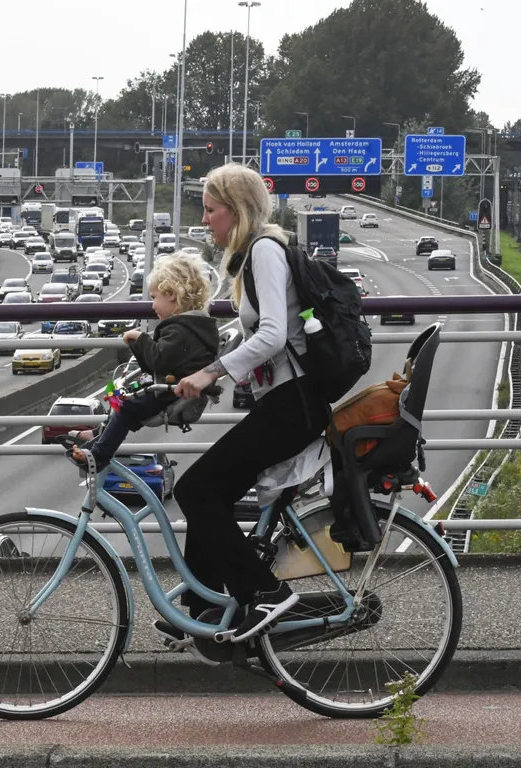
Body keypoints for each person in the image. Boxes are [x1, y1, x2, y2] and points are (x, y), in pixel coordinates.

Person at [163, 163, 330, 647]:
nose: (206, 220)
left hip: (292, 403)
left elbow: (275, 334)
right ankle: (203, 613)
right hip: (281, 402)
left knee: (196, 490)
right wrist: (192, 374)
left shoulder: (264, 252)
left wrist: (212, 372)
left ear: (236, 211)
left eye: (211, 210)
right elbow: (252, 336)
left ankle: (264, 592)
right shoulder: (254, 255)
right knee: (206, 491)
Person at [70, 255, 219, 471]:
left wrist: (139, 338)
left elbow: (158, 359)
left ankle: (99, 455)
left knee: (126, 405)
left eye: (154, 297)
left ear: (172, 296)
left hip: (170, 391)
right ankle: (101, 434)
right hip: (171, 385)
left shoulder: (180, 330)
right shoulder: (194, 325)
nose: (152, 305)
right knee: (120, 399)